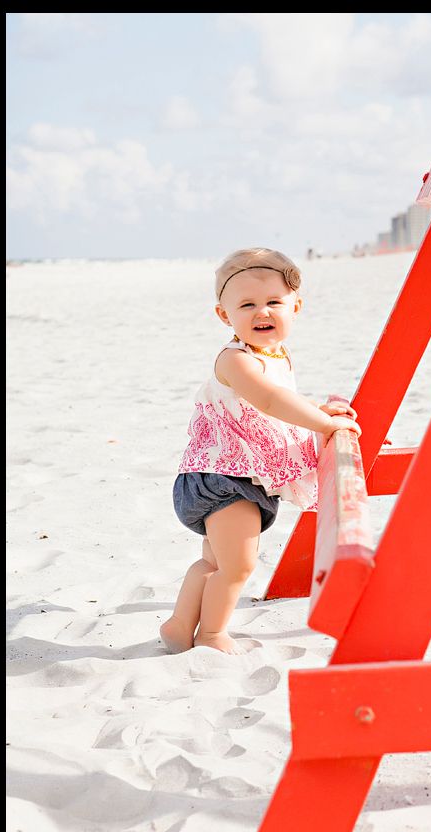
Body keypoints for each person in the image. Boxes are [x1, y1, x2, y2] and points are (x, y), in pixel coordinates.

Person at [161, 247, 361, 655]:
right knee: (239, 566)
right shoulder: (236, 361)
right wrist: (324, 425)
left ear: (295, 306)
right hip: (224, 480)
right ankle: (212, 633)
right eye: (247, 304)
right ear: (224, 316)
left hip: (235, 475)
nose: (262, 312)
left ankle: (179, 626)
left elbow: (279, 401)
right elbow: (268, 400)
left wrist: (316, 410)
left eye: (273, 302)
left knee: (214, 563)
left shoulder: (273, 355)